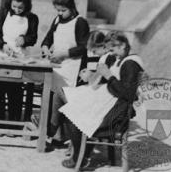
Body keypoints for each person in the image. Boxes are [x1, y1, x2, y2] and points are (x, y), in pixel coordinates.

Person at [60, 32, 144, 169]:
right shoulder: (122, 58)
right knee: (72, 105)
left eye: (112, 50)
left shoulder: (130, 64)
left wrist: (108, 75)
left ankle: (80, 157)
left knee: (72, 114)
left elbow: (128, 94)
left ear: (122, 45)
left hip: (117, 113)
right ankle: (83, 153)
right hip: (111, 103)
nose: (111, 54)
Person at [0, 0, 38, 121]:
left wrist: (24, 39)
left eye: (20, 8)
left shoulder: (32, 18)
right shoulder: (3, 13)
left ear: (26, 6)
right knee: (0, 89)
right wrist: (2, 45)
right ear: (9, 4)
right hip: (1, 55)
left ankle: (13, 121)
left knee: (15, 90)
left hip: (19, 57)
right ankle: (1, 121)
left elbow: (33, 38)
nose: (17, 10)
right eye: (14, 7)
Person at [41, 0, 90, 90]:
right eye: (57, 10)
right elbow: (48, 38)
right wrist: (45, 47)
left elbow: (83, 47)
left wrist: (64, 53)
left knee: (68, 95)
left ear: (71, 8)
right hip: (58, 65)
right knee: (55, 93)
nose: (60, 13)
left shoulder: (80, 22)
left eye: (63, 10)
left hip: (74, 66)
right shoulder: (57, 20)